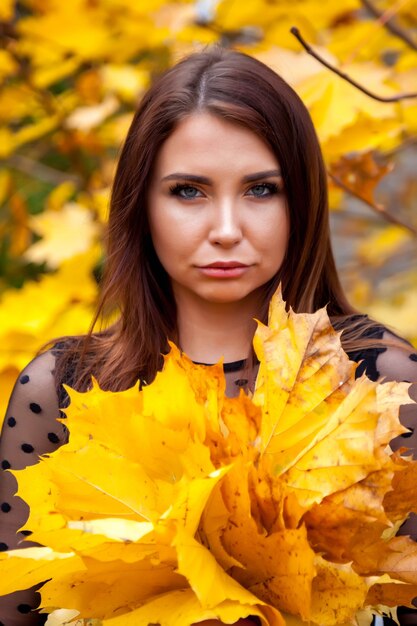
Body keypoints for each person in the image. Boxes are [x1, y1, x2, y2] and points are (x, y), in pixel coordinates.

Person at [0, 47, 416, 626]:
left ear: (302, 201)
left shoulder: (380, 383)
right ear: (140, 205)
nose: (226, 230)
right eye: (188, 191)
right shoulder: (65, 388)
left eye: (261, 190)